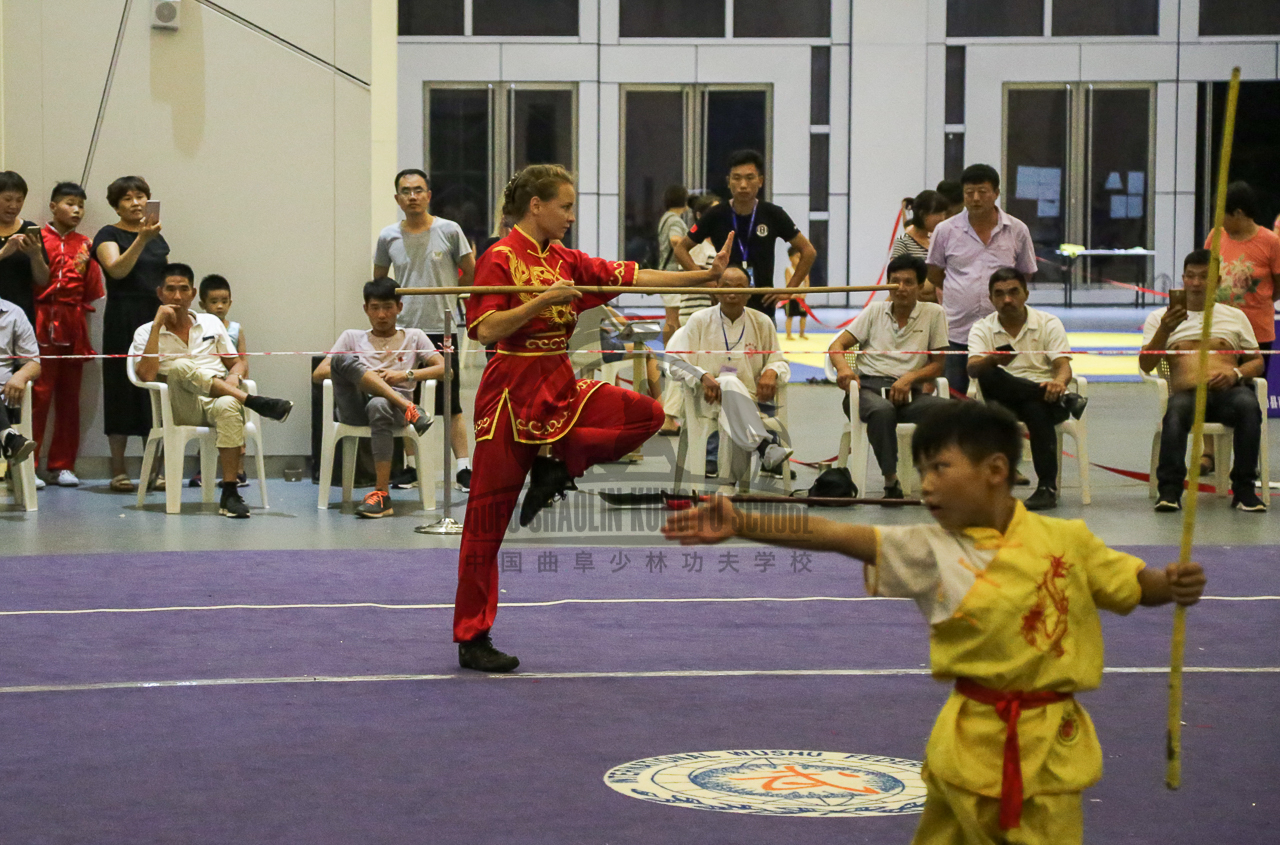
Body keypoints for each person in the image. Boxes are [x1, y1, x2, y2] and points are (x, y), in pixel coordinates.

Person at [662, 401, 1206, 845]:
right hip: (964, 747)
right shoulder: (930, 550)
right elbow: (831, 534)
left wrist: (1170, 583)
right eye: (922, 470)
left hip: (1050, 757)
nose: (926, 484)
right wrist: (744, 522)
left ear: (996, 470)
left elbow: (1134, 587)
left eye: (940, 468)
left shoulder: (1070, 542)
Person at [455, 163, 733, 673]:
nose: (570, 217)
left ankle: (557, 469)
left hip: (558, 383)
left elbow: (632, 274)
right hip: (510, 394)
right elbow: (486, 329)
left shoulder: (565, 258)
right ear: (536, 206)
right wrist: (543, 300)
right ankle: (473, 636)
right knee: (485, 525)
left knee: (645, 414)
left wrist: (704, 276)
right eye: (565, 206)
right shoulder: (499, 257)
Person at [130, 264, 293, 518]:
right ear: (160, 293)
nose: (177, 296)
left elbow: (236, 361)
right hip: (181, 407)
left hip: (217, 400)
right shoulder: (145, 331)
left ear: (193, 293)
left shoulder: (211, 323)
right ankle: (253, 401)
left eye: (183, 289)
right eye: (170, 290)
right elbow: (146, 375)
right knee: (181, 366)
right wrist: (156, 326)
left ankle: (229, 493)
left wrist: (233, 377)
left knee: (229, 405)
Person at [1140, 249, 1266, 513]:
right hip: (1186, 394)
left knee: (1248, 405)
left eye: (1203, 277)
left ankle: (1244, 491)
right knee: (1174, 415)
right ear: (1183, 279)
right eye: (1190, 276)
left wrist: (1235, 374)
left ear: (1217, 281)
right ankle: (1170, 492)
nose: (1196, 283)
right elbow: (1146, 365)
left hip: (1228, 393)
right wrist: (1165, 329)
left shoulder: (1234, 317)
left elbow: (1257, 362)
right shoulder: (1159, 318)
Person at [374, 168, 476, 492]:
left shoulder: (450, 230)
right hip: (404, 333)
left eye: (419, 190)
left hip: (442, 328)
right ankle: (412, 467)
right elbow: (379, 284)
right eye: (406, 191)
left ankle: (463, 468)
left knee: (451, 403)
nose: (413, 196)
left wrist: (449, 295)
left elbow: (472, 274)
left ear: (429, 195)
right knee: (407, 400)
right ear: (397, 198)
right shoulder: (388, 236)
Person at [312, 278, 444, 518]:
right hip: (356, 408)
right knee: (341, 359)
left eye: (388, 307)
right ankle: (409, 407)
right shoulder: (352, 337)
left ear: (399, 307)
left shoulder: (414, 336)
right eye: (375, 308)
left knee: (380, 403)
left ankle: (381, 493)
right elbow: (319, 373)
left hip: (390, 414)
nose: (382, 315)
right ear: (366, 309)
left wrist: (404, 374)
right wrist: (366, 375)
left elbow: (444, 369)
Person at [828, 254, 950, 499]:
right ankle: (890, 481)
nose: (901, 288)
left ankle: (944, 476)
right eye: (895, 282)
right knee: (882, 411)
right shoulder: (875, 310)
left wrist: (909, 378)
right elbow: (837, 345)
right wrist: (844, 369)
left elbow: (938, 365)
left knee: (949, 412)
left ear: (920, 286)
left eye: (908, 282)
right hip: (867, 391)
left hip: (908, 394)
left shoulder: (934, 313)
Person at [967, 268, 1087, 511]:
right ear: (991, 299)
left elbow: (1063, 367)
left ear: (1026, 294)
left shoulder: (1048, 323)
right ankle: (1065, 401)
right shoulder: (982, 328)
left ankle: (1046, 488)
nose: (1007, 299)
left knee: (1035, 409)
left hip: (1046, 398)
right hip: (1002, 401)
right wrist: (991, 360)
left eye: (1013, 292)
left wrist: (1059, 384)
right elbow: (972, 369)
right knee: (988, 372)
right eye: (999, 294)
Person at [668, 266, 793, 485]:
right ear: (715, 291)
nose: (732, 292)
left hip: (749, 401)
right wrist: (703, 376)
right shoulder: (699, 320)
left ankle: (729, 486)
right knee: (727, 381)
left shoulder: (762, 322)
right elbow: (675, 364)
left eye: (739, 287)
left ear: (749, 292)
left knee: (730, 388)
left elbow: (778, 359)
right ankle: (764, 447)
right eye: (726, 286)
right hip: (704, 400)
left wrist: (771, 371)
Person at [925, 164, 1038, 396]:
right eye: (969, 193)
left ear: (996, 193)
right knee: (954, 398)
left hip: (1003, 331)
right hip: (956, 331)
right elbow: (935, 273)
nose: (975, 198)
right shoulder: (945, 230)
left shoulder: (1017, 230)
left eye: (983, 192)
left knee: (1004, 399)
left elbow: (1024, 274)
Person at [93, 176, 168, 492]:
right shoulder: (107, 234)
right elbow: (117, 270)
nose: (136, 203)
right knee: (120, 387)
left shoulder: (158, 237)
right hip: (123, 316)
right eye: (127, 198)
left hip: (154, 315)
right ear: (116, 205)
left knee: (156, 387)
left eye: (141, 196)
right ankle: (119, 469)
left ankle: (156, 469)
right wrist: (141, 239)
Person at [674, 149, 816, 316]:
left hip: (763, 306)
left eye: (749, 178)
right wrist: (705, 281)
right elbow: (680, 250)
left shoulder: (773, 214)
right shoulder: (715, 214)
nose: (743, 184)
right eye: (737, 178)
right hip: (723, 304)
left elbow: (808, 252)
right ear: (728, 182)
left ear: (760, 181)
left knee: (761, 342)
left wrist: (788, 291)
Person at [33, 182, 104, 487]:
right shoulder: (35, 239)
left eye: (81, 205)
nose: (76, 210)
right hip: (40, 321)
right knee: (38, 394)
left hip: (74, 322)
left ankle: (63, 464)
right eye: (69, 203)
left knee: (69, 396)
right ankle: (28, 464)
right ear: (53, 206)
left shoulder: (86, 245)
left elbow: (91, 289)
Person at [1204, 181, 1280, 350]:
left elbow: (1278, 285)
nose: (1217, 219)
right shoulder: (1216, 236)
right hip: (1219, 328)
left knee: (1253, 375)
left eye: (1221, 213)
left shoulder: (1271, 242)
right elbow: (1204, 272)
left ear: (1238, 213)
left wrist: (1259, 300)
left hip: (1257, 331)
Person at [189, 274, 247, 488]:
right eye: (214, 302)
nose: (219, 306)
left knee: (235, 423)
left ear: (230, 302)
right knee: (207, 430)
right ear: (203, 304)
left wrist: (237, 378)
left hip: (232, 384)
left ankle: (238, 471)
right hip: (206, 385)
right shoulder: (198, 329)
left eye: (224, 301)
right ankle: (203, 470)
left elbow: (242, 359)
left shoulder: (235, 329)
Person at [0, 171, 50, 327]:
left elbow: (43, 280)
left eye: (19, 200)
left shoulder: (29, 229)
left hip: (21, 312)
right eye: (8, 199)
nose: (13, 206)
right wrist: (4, 252)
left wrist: (36, 255)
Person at [0, 294, 40, 467]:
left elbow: (34, 363)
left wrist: (21, 375)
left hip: (4, 397)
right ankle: (8, 438)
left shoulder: (14, 313)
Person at [891, 189, 951, 261]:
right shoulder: (903, 242)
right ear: (922, 214)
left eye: (944, 214)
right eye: (937, 213)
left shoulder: (937, 239)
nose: (942, 218)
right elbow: (895, 270)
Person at [783, 245, 809, 340]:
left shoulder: (804, 269)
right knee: (790, 316)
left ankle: (802, 333)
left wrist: (804, 293)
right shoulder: (789, 270)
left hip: (801, 297)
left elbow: (807, 282)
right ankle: (788, 334)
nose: (799, 260)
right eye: (797, 257)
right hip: (792, 297)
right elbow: (788, 282)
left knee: (803, 316)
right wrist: (793, 294)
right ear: (791, 258)